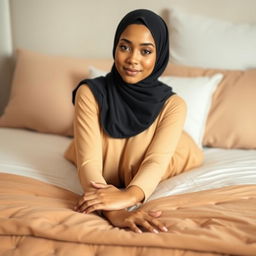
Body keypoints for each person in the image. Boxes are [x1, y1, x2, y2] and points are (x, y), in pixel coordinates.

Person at [64, 9, 204, 234]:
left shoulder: (174, 105)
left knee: (166, 156)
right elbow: (88, 163)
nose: (132, 59)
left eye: (146, 51)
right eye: (124, 47)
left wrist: (129, 196)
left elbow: (155, 163)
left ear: (159, 56)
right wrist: (116, 212)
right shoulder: (89, 93)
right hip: (109, 152)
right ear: (115, 47)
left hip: (171, 151)